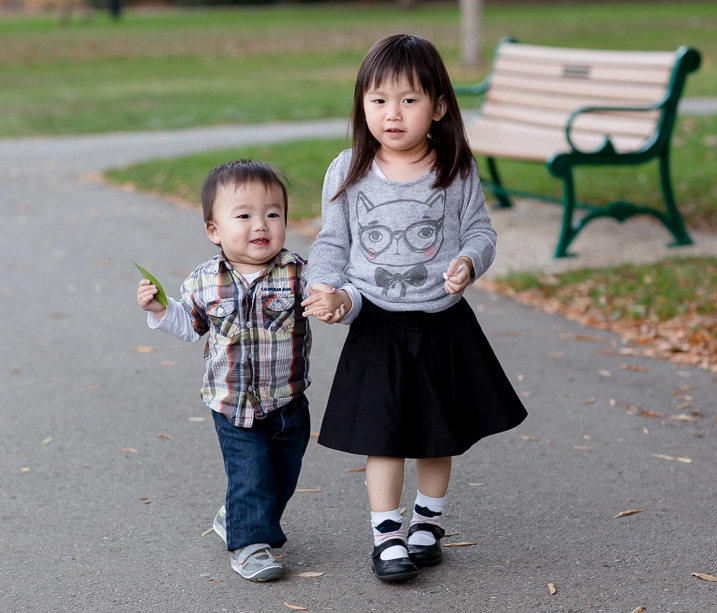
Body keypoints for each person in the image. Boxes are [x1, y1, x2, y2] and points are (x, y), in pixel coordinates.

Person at [301, 34, 527, 582]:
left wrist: (470, 262)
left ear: (439, 106)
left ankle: (427, 522)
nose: (392, 114)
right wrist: (326, 288)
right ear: (362, 105)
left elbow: (480, 231)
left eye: (409, 100)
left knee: (433, 431)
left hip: (441, 323)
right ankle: (386, 536)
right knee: (384, 435)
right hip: (375, 321)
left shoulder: (454, 167)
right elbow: (332, 242)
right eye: (378, 100)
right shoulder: (349, 170)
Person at [136, 160, 315, 582]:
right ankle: (249, 547)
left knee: (281, 478)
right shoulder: (204, 282)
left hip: (288, 401)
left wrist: (335, 302)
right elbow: (189, 326)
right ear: (214, 230)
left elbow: (327, 304)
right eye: (245, 215)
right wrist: (161, 310)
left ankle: (236, 516)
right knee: (251, 474)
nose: (261, 225)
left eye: (273, 214)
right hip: (232, 405)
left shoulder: (297, 273)